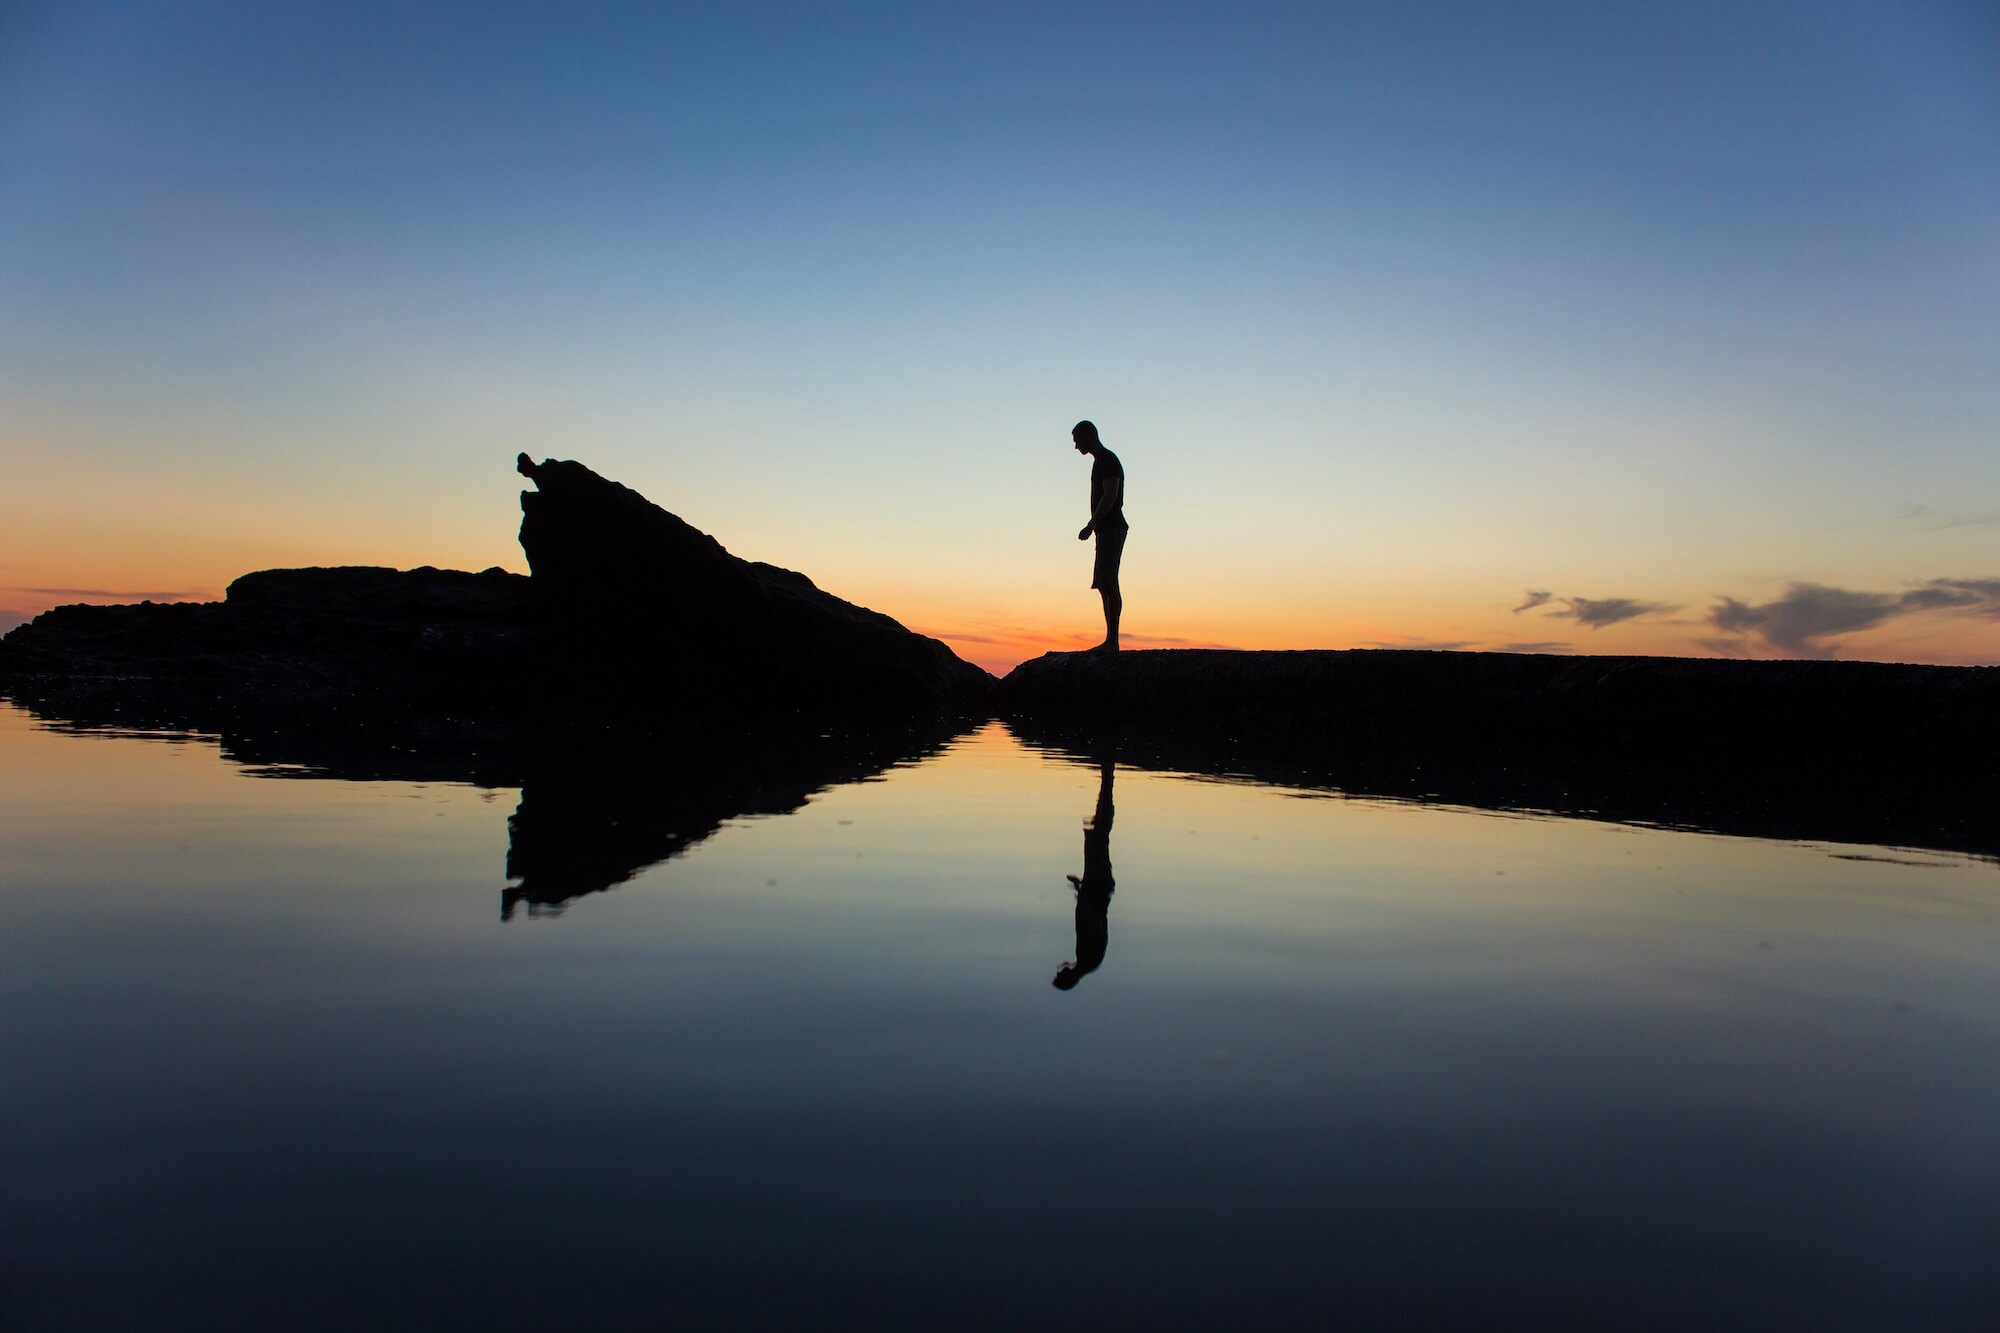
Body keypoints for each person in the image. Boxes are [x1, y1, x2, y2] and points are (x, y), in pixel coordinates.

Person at [1071, 420, 1127, 652]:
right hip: (1105, 530)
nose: (1076, 447)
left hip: (1112, 528)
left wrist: (1092, 523)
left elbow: (1111, 494)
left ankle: (1112, 641)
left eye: (1077, 441)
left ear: (1088, 435)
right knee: (1104, 583)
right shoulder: (1100, 461)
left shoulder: (1107, 459)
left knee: (1109, 582)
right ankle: (1110, 640)